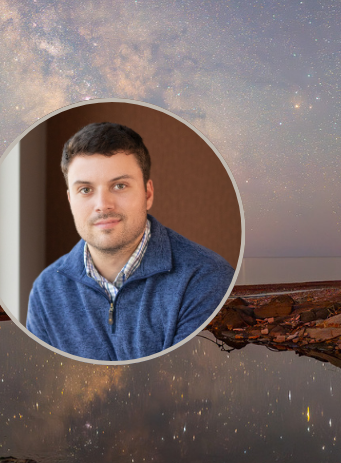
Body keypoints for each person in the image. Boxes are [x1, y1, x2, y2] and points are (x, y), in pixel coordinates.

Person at [26, 122, 235, 361]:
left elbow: (189, 391)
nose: (102, 204)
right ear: (70, 200)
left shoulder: (206, 280)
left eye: (119, 185)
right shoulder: (46, 290)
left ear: (148, 194)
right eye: (85, 190)